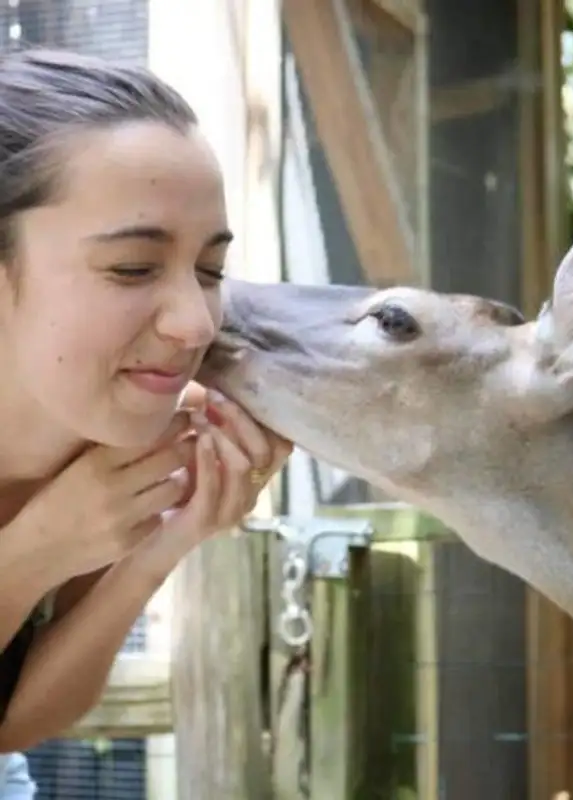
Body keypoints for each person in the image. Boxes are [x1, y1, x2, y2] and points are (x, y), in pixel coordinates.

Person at [0, 48, 293, 796]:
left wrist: (162, 543)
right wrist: (37, 550)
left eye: (210, 271)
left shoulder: (102, 439)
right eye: (133, 268)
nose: (196, 323)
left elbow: (12, 727)